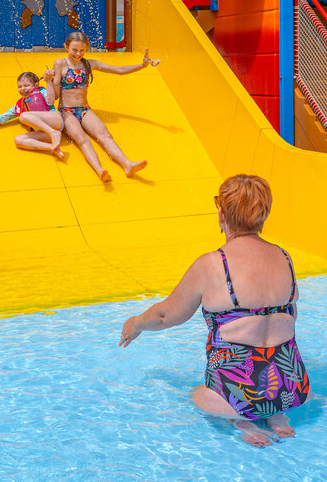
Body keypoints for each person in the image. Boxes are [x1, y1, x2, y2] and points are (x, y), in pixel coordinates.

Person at [119, 174, 310, 447]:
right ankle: (277, 416)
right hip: (293, 387)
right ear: (264, 214)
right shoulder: (284, 257)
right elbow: (291, 316)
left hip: (234, 398)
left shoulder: (212, 264)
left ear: (221, 214)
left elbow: (165, 316)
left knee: (193, 394)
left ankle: (241, 421)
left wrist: (136, 323)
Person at [48, 30, 156, 182]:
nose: (78, 53)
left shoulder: (89, 64)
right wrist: (49, 80)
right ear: (66, 47)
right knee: (82, 139)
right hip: (67, 112)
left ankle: (127, 164)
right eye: (74, 50)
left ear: (86, 47)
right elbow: (55, 96)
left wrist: (142, 66)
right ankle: (100, 170)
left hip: (85, 109)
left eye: (82, 50)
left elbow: (118, 70)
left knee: (105, 135)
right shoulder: (60, 64)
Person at [0, 70, 66, 159]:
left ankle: (53, 133)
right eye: (19, 87)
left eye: (26, 85)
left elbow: (51, 101)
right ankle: (52, 147)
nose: (22, 89)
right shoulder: (19, 105)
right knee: (18, 140)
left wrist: (48, 82)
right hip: (45, 133)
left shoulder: (41, 91)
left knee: (23, 116)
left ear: (36, 85)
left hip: (55, 120)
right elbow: (2, 118)